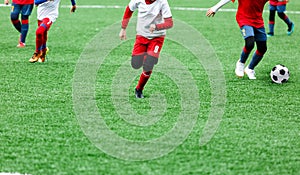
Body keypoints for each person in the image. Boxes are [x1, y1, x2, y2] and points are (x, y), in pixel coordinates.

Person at [119, 0, 173, 98]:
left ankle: (139, 89)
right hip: (141, 35)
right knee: (136, 64)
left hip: (157, 37)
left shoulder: (162, 2)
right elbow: (129, 10)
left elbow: (169, 23)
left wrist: (157, 26)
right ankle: (149, 57)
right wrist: (123, 28)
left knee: (149, 64)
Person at [206, 0, 268, 80]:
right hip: (244, 19)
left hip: (258, 21)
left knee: (262, 48)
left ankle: (250, 69)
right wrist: (215, 8)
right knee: (250, 43)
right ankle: (241, 63)